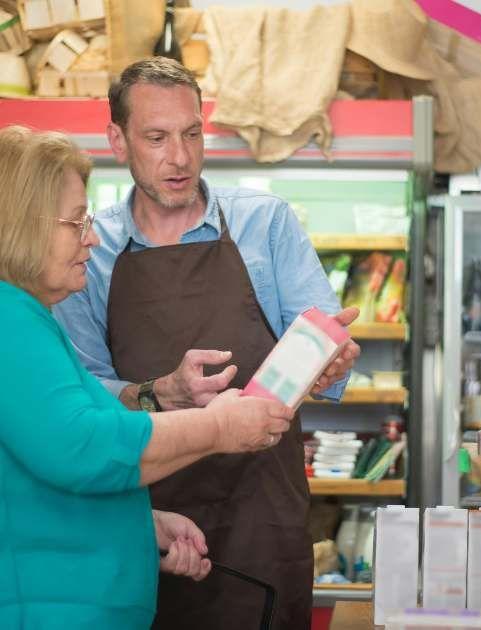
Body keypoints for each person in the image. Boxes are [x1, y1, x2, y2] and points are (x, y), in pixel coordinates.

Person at [52, 57, 362, 629]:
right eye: (157, 137)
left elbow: (329, 354)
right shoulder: (89, 249)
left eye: (192, 133)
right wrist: (158, 391)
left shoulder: (265, 225)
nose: (180, 157)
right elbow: (82, 398)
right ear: (117, 141)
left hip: (260, 520)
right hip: (144, 521)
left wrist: (331, 363)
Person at [0, 126, 296, 627]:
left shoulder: (31, 321)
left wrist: (140, 524)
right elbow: (85, 446)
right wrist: (219, 429)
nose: (91, 236)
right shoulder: (9, 321)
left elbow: (34, 477)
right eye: (76, 221)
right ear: (22, 225)